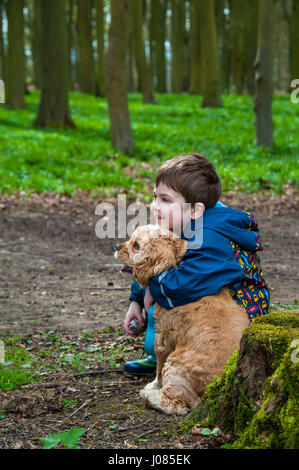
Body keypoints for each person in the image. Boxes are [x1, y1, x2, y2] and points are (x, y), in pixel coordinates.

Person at [123, 153, 270, 375]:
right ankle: (166, 354)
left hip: (234, 318)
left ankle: (193, 360)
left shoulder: (210, 237)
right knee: (160, 284)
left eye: (166, 200)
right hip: (210, 304)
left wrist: (152, 288)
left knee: (166, 292)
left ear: (195, 209)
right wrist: (136, 299)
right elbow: (153, 262)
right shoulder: (182, 221)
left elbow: (182, 287)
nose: (155, 206)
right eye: (155, 197)